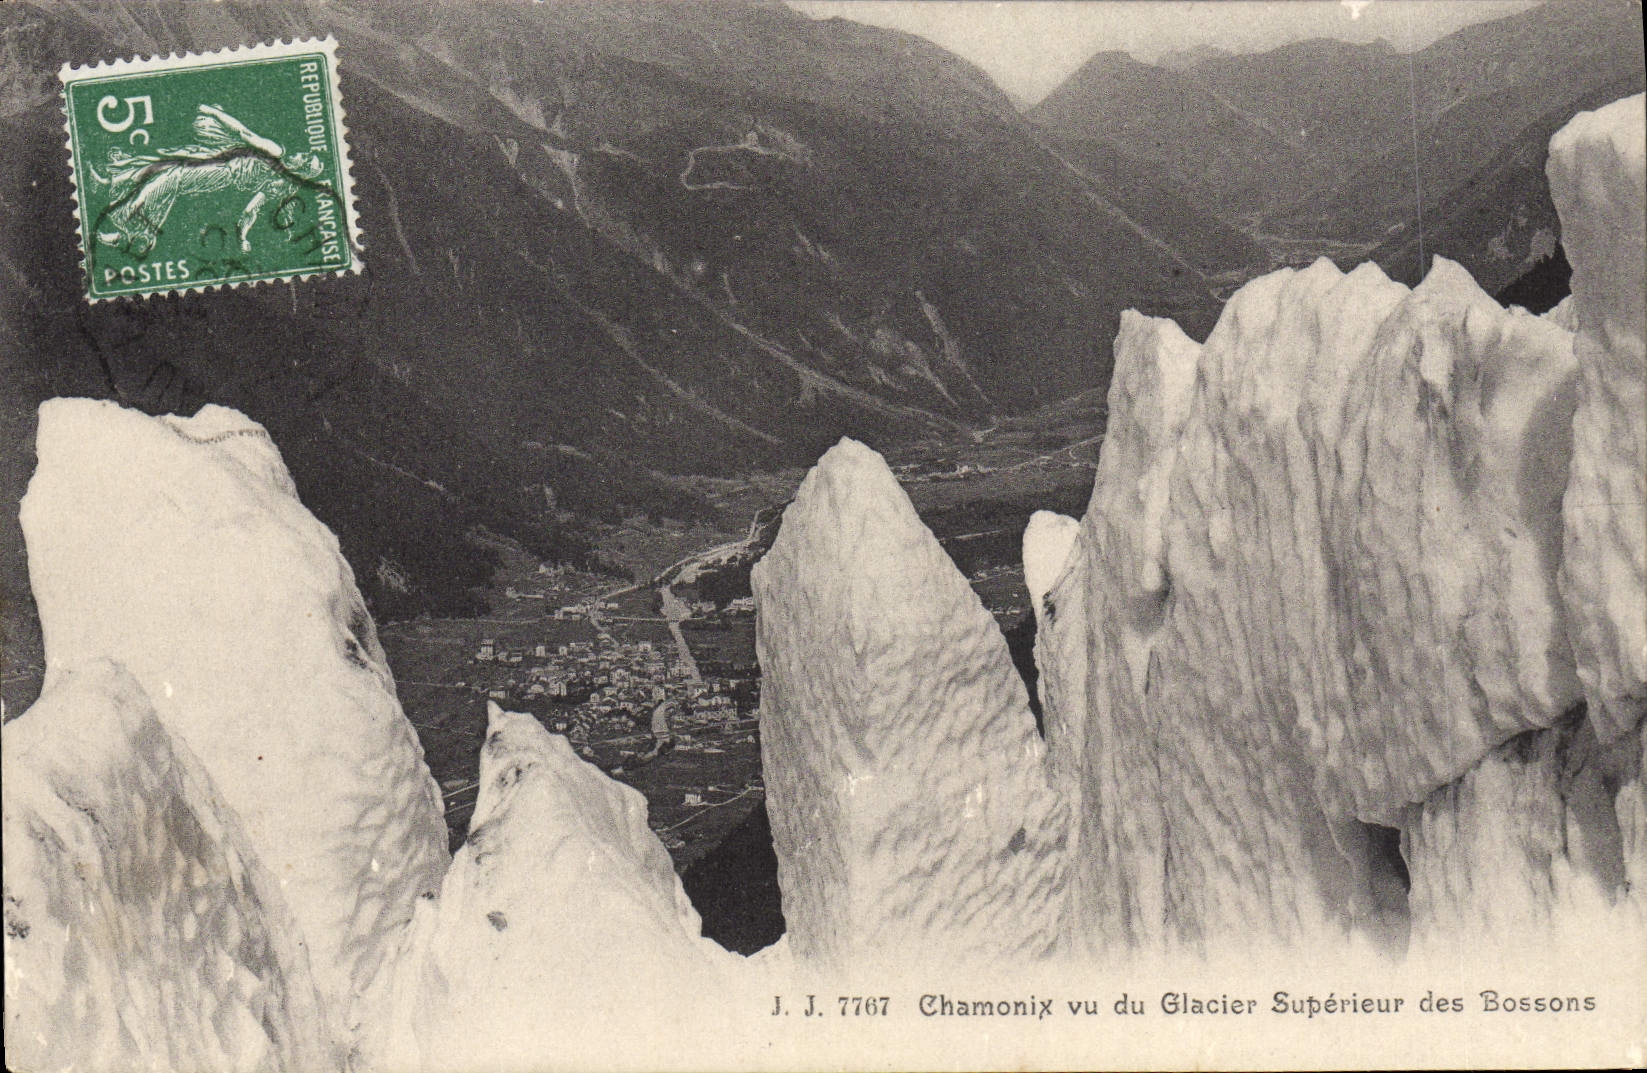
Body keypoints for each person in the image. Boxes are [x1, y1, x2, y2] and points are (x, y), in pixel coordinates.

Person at [90, 103, 327, 257]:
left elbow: (245, 134)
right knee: (165, 167)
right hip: (221, 159)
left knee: (172, 177)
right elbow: (251, 211)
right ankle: (120, 206)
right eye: (306, 154)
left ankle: (126, 218)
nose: (301, 154)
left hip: (222, 170)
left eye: (305, 159)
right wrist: (243, 236)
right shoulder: (281, 182)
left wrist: (215, 113)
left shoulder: (277, 155)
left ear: (303, 170)